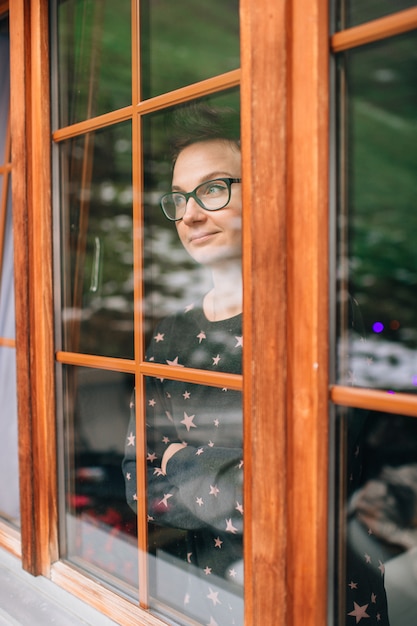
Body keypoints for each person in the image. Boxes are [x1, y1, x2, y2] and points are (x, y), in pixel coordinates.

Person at [122, 103, 243, 625]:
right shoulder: (171, 332)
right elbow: (136, 484)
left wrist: (177, 459)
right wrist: (226, 470)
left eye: (214, 189)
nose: (190, 215)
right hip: (191, 603)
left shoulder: (316, 317)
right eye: (179, 198)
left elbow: (284, 501)